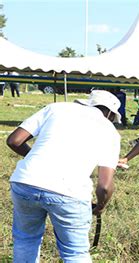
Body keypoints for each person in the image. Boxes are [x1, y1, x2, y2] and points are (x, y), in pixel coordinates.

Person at [6, 90, 121, 262]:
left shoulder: (56, 108)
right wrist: (101, 205)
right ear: (111, 114)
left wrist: (34, 159)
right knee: (75, 252)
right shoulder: (110, 131)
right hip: (70, 193)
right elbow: (104, 186)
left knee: (25, 240)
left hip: (25, 182)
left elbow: (14, 140)